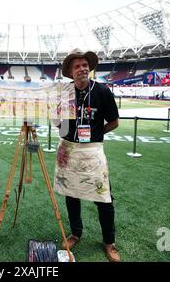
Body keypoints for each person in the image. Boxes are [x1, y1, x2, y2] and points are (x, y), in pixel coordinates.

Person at [53, 48, 121, 262]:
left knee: (104, 198)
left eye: (85, 65)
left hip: (92, 151)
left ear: (89, 68)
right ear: (71, 72)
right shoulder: (64, 93)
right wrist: (57, 120)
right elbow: (58, 122)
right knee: (71, 194)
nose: (82, 69)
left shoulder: (102, 92)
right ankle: (75, 233)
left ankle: (109, 242)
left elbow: (114, 122)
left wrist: (95, 134)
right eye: (77, 66)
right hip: (69, 148)